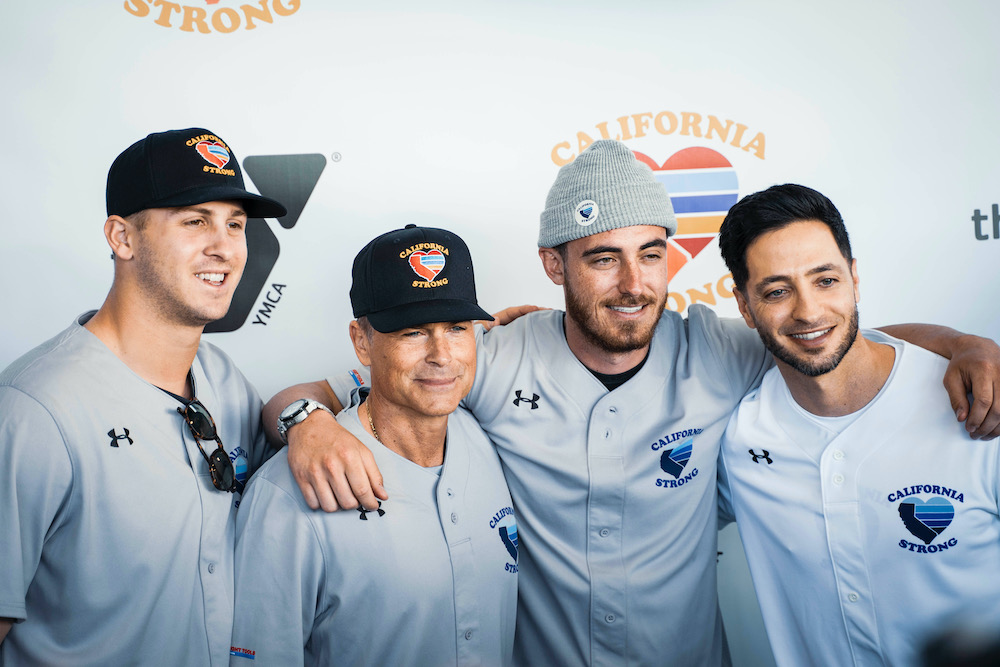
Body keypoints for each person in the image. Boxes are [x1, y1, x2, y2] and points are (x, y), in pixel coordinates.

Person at [266, 141, 1000, 666]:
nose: (633, 283)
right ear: (554, 264)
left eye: (652, 253)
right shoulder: (487, 353)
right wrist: (310, 424)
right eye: (602, 257)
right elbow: (316, 394)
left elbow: (825, 336)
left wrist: (966, 344)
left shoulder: (718, 346)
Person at [0, 127, 286, 665]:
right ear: (122, 237)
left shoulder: (222, 379)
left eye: (236, 225)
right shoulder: (32, 409)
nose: (224, 247)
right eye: (195, 221)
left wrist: (308, 419)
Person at [717, 184, 1000, 666]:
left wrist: (962, 343)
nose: (808, 311)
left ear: (853, 277)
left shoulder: (978, 404)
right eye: (778, 291)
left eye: (825, 280)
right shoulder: (737, 438)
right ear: (744, 306)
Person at [229, 224, 517, 665]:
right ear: (361, 342)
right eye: (412, 332)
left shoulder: (487, 435)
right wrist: (304, 421)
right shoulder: (288, 491)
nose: (442, 355)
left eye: (457, 328)